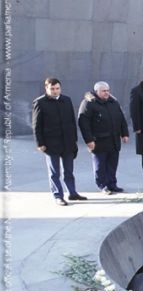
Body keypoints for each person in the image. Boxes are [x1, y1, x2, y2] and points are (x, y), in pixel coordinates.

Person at [32, 77, 87, 206]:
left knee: (69, 171)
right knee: (54, 172)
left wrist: (74, 141)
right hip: (51, 144)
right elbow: (36, 125)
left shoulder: (66, 100)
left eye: (57, 88)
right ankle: (58, 196)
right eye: (52, 89)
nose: (55, 91)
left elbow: (72, 122)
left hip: (67, 142)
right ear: (46, 88)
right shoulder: (39, 103)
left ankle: (73, 193)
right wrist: (40, 143)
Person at [77, 81, 130, 194]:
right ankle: (102, 185)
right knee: (100, 165)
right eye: (104, 91)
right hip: (99, 141)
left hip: (113, 140)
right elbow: (83, 123)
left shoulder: (113, 102)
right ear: (97, 91)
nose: (107, 93)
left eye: (108, 90)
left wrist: (124, 134)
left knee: (112, 164)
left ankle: (112, 184)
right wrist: (89, 140)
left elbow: (121, 118)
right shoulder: (88, 103)